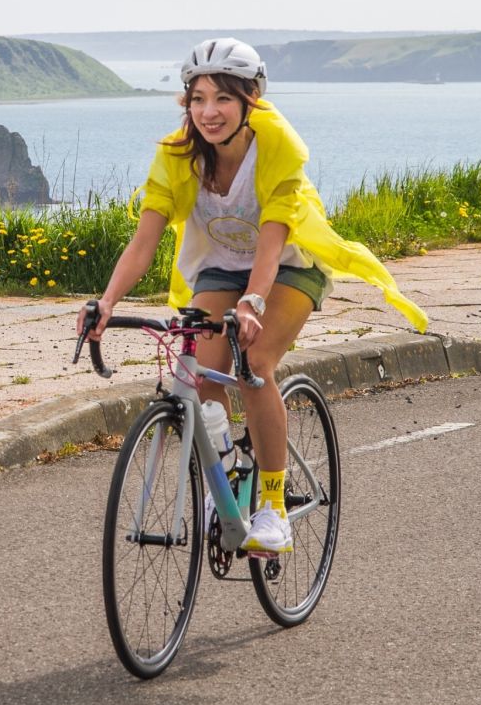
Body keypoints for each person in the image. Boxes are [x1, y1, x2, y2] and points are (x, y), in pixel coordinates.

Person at [77, 37, 428, 555]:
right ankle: (231, 468)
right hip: (220, 269)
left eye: (222, 98)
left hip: (288, 268)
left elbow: (273, 235)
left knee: (254, 363)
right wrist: (105, 302)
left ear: (250, 101)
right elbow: (143, 241)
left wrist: (254, 302)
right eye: (197, 98)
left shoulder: (277, 147)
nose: (208, 111)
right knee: (199, 374)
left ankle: (273, 506)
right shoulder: (178, 157)